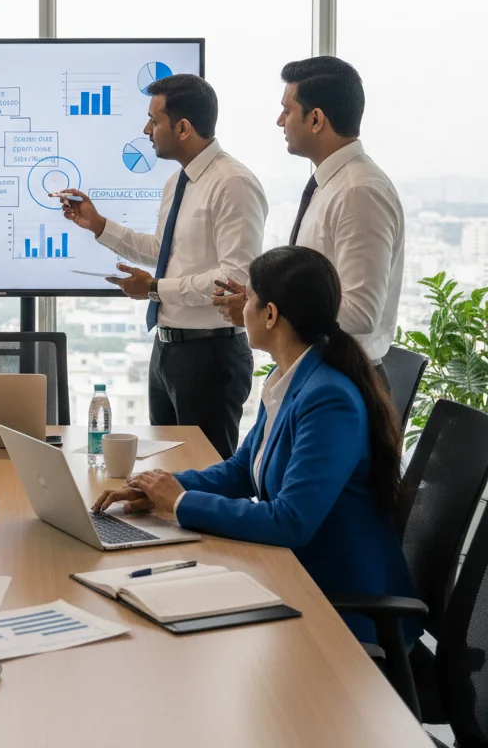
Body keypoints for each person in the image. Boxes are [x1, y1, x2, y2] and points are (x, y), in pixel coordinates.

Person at [93, 246, 417, 645]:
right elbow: (243, 469)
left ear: (270, 314)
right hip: (290, 575)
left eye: (247, 298)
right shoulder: (291, 377)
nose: (238, 307)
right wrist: (160, 487)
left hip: (337, 605)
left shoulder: (328, 398)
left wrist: (179, 503)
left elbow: (290, 522)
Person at [61, 74, 267, 460]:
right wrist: (98, 225)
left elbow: (233, 279)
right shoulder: (179, 181)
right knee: (167, 473)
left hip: (211, 356)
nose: (146, 130)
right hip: (168, 351)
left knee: (205, 479)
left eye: (154, 121)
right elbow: (163, 251)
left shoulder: (233, 183)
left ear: (183, 127)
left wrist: (156, 289)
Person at [213, 56, 403, 389]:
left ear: (316, 119)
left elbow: (361, 312)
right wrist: (262, 300)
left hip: (342, 381)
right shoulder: (332, 184)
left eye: (287, 111)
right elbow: (315, 290)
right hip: (318, 371)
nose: (279, 121)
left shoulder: (358, 191)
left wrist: (271, 306)